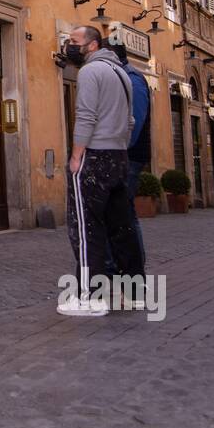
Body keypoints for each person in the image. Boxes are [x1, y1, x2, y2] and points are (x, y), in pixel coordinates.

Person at [59, 26, 142, 316]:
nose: (69, 45)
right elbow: (130, 121)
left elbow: (85, 115)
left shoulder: (90, 72)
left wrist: (76, 155)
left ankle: (90, 297)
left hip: (95, 157)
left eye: (74, 41)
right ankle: (133, 293)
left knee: (85, 227)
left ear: (91, 45)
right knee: (122, 227)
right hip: (119, 155)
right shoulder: (123, 75)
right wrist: (119, 144)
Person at [107, 40, 151, 272]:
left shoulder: (132, 80)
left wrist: (119, 151)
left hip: (129, 156)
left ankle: (132, 265)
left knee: (123, 212)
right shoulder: (123, 77)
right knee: (125, 212)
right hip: (125, 155)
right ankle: (132, 263)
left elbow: (134, 121)